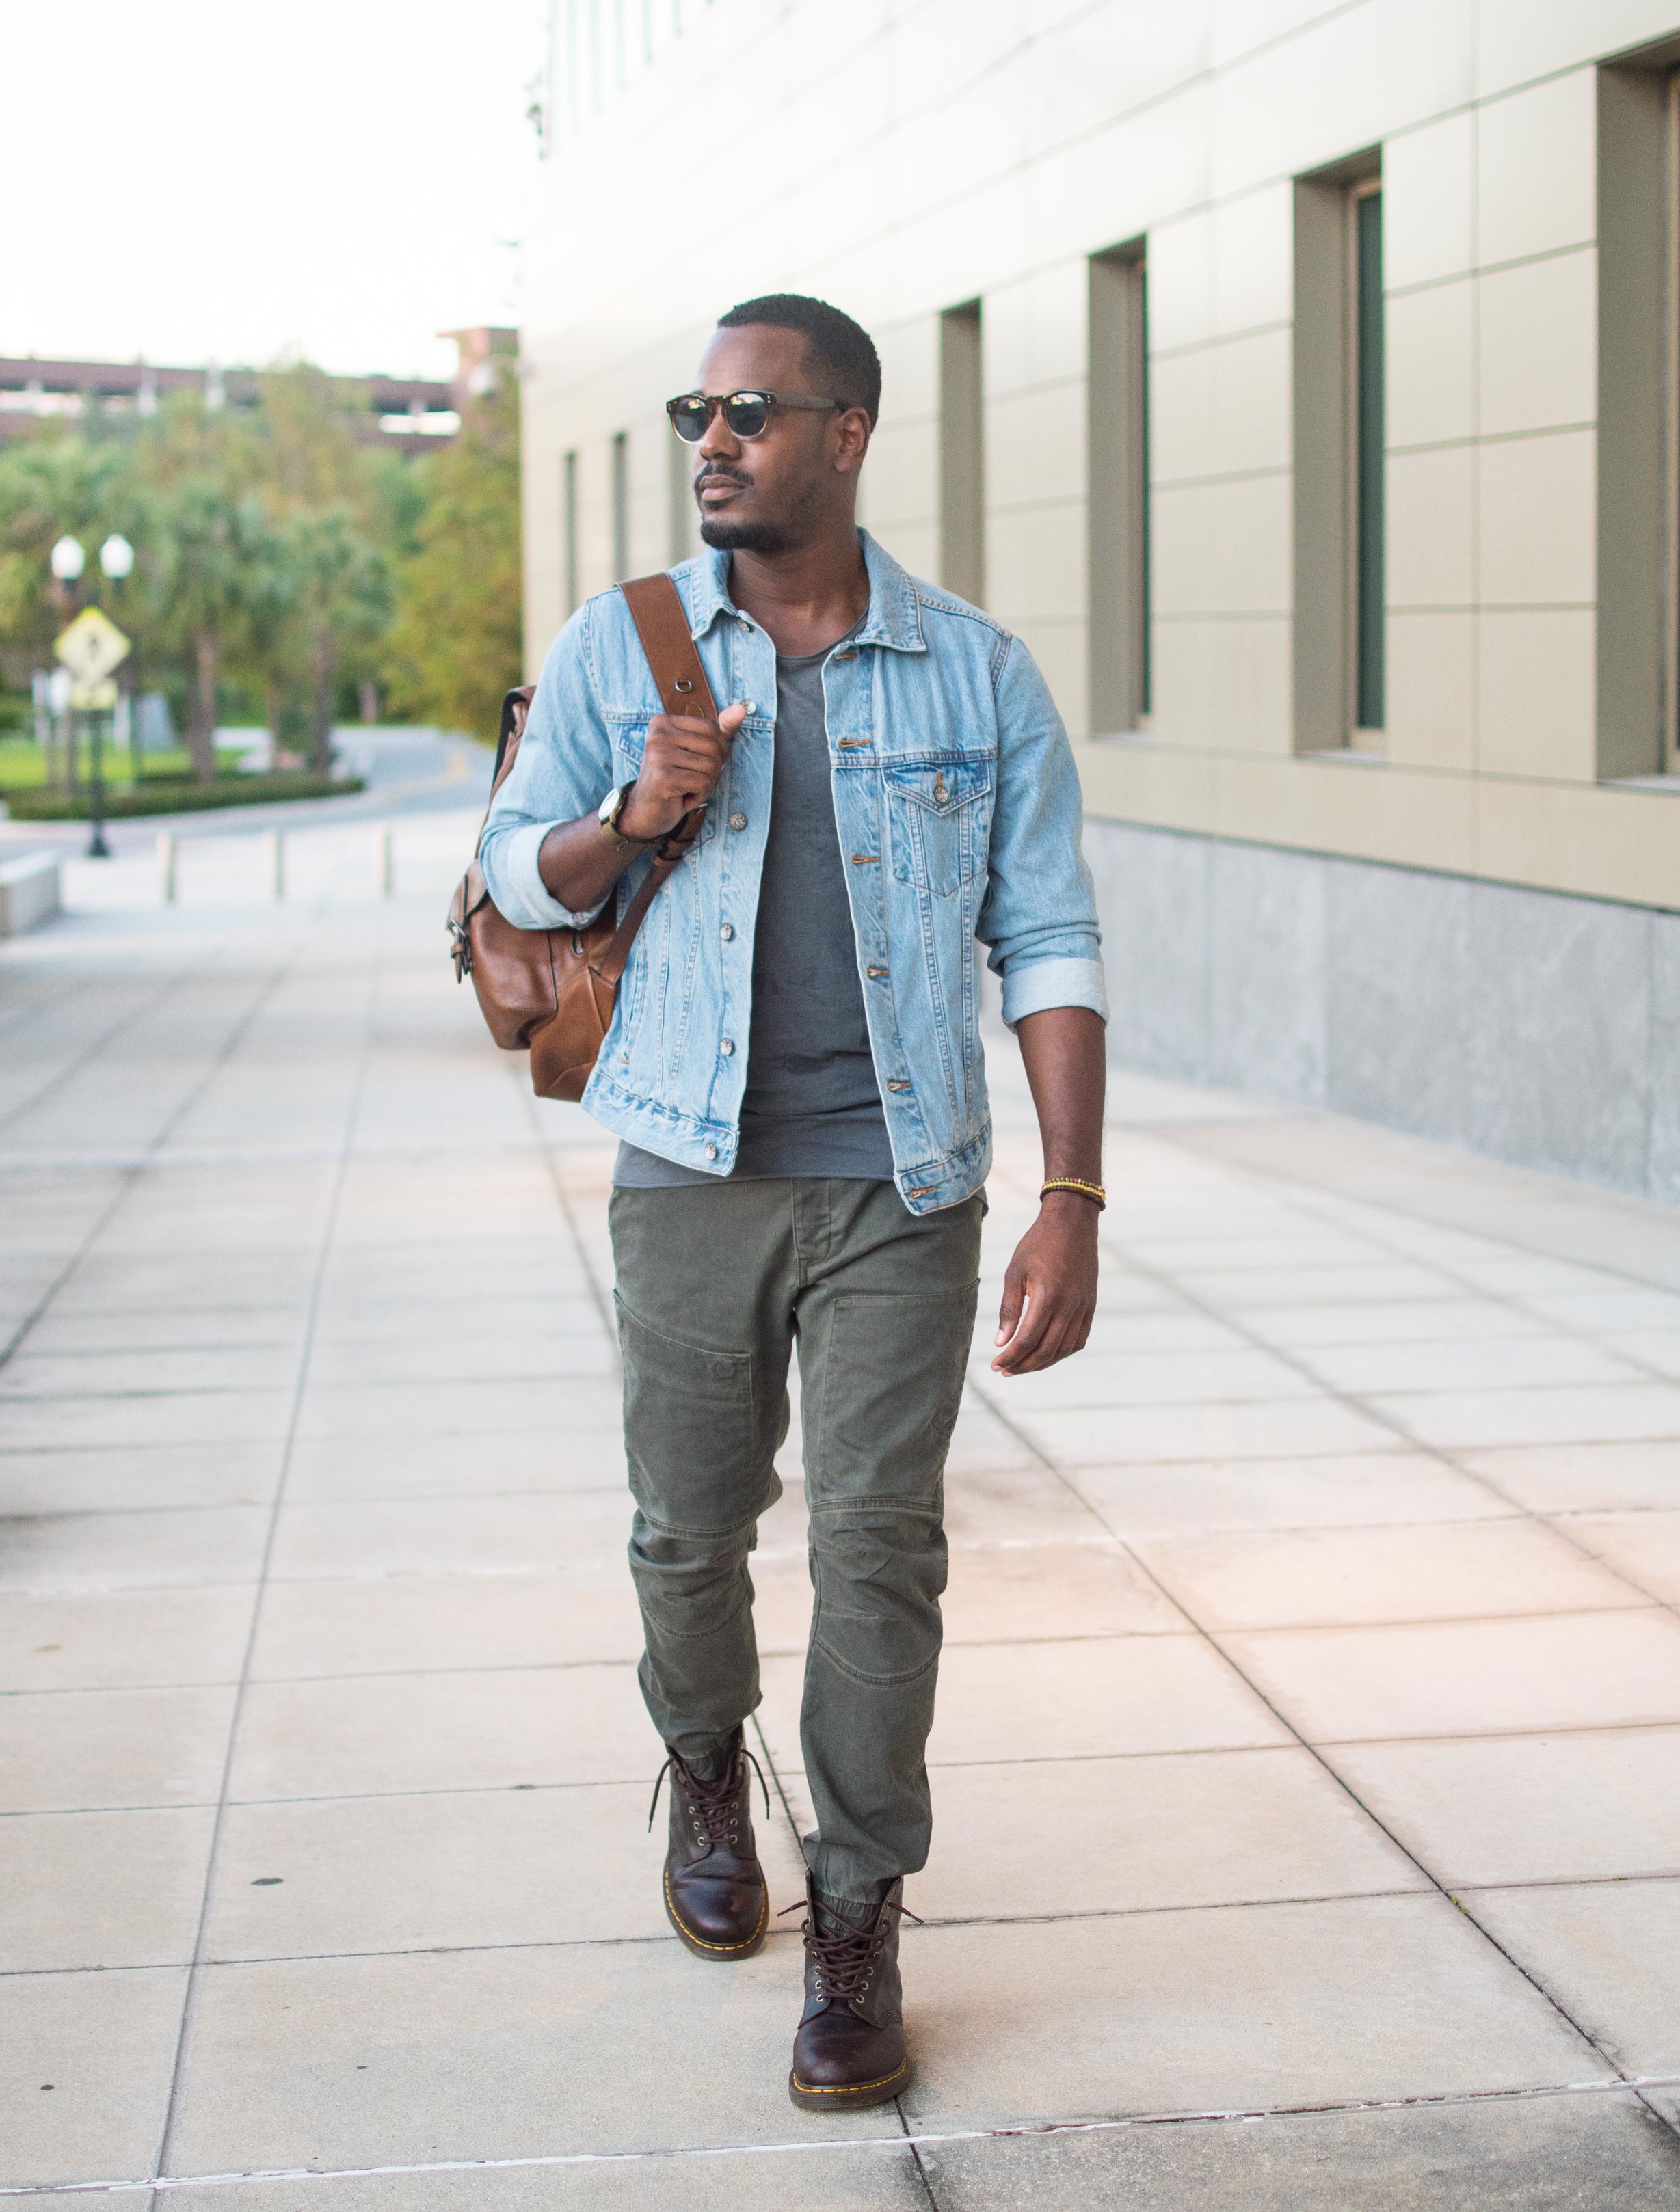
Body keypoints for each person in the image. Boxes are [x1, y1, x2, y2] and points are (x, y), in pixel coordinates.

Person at [481, 293, 1106, 2110]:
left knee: (875, 1550)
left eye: (753, 410)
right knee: (685, 1532)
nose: (714, 438)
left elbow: (1047, 932)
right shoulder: (631, 643)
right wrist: (627, 810)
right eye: (700, 409)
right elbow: (515, 866)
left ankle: (855, 1907)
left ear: (846, 433)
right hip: (688, 1163)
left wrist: (1066, 1190)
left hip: (901, 1183)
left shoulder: (973, 672)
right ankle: (699, 1763)